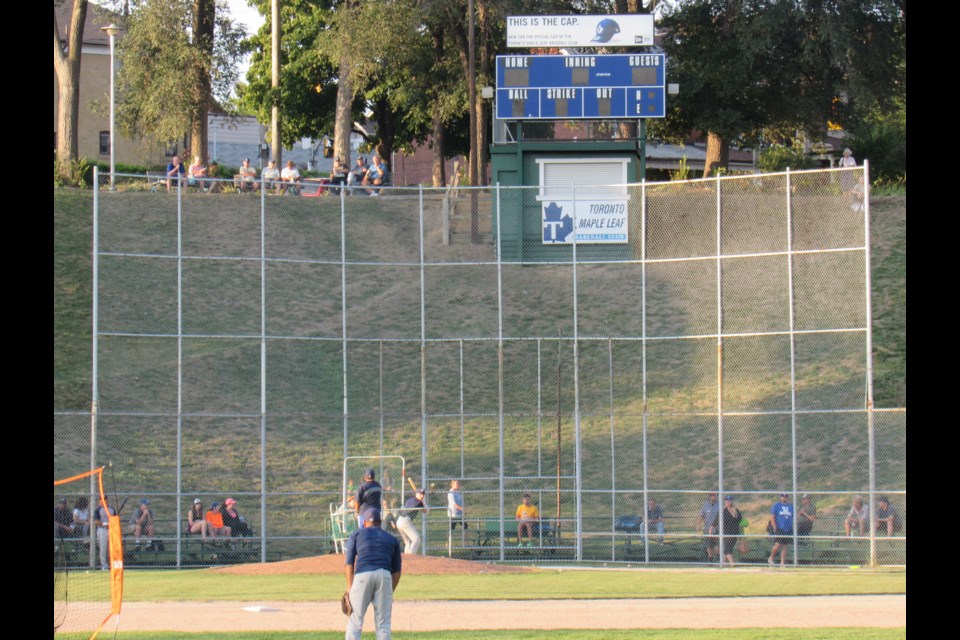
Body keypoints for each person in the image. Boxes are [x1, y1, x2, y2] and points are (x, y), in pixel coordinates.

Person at [344, 508, 402, 640]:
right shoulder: (391, 539)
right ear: (380, 522)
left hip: (362, 575)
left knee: (355, 621)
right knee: (383, 624)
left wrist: (349, 588)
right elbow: (397, 571)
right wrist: (389, 591)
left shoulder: (357, 534)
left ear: (364, 523)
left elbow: (349, 563)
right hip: (384, 575)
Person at [710, 495, 743, 565]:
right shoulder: (722, 511)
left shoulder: (736, 511)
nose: (727, 502)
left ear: (731, 502)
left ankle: (723, 563)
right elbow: (715, 521)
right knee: (728, 549)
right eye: (726, 501)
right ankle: (732, 563)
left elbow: (741, 521)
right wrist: (711, 530)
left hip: (734, 533)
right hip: (725, 533)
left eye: (729, 501)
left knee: (728, 548)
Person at [396, 488, 428, 554]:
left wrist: (422, 503)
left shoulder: (410, 500)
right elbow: (425, 511)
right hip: (405, 521)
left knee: (407, 542)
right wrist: (424, 504)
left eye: (423, 494)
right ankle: (411, 556)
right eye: (420, 494)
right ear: (416, 494)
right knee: (416, 539)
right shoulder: (419, 502)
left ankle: (407, 560)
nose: (422, 495)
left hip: (399, 521)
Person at [768, 492, 795, 567]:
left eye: (786, 496)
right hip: (779, 527)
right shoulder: (776, 505)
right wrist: (775, 527)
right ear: (780, 497)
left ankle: (782, 562)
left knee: (784, 545)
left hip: (788, 528)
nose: (784, 497)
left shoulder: (791, 506)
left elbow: (794, 516)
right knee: (778, 544)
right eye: (782, 496)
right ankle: (771, 557)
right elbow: (772, 517)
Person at [94, 496, 116, 571]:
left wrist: (112, 524)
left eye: (105, 501)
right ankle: (104, 565)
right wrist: (105, 524)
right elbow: (96, 521)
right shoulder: (98, 510)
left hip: (111, 530)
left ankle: (113, 564)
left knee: (112, 548)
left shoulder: (112, 509)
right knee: (103, 548)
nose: (104, 502)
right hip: (102, 530)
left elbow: (115, 519)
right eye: (102, 501)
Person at [699, 492, 720, 561]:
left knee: (718, 545)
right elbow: (701, 516)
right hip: (707, 529)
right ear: (710, 497)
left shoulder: (719, 504)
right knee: (709, 546)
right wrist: (698, 524)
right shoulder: (705, 505)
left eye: (716, 496)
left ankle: (718, 558)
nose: (715, 497)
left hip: (717, 528)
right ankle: (710, 558)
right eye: (714, 496)